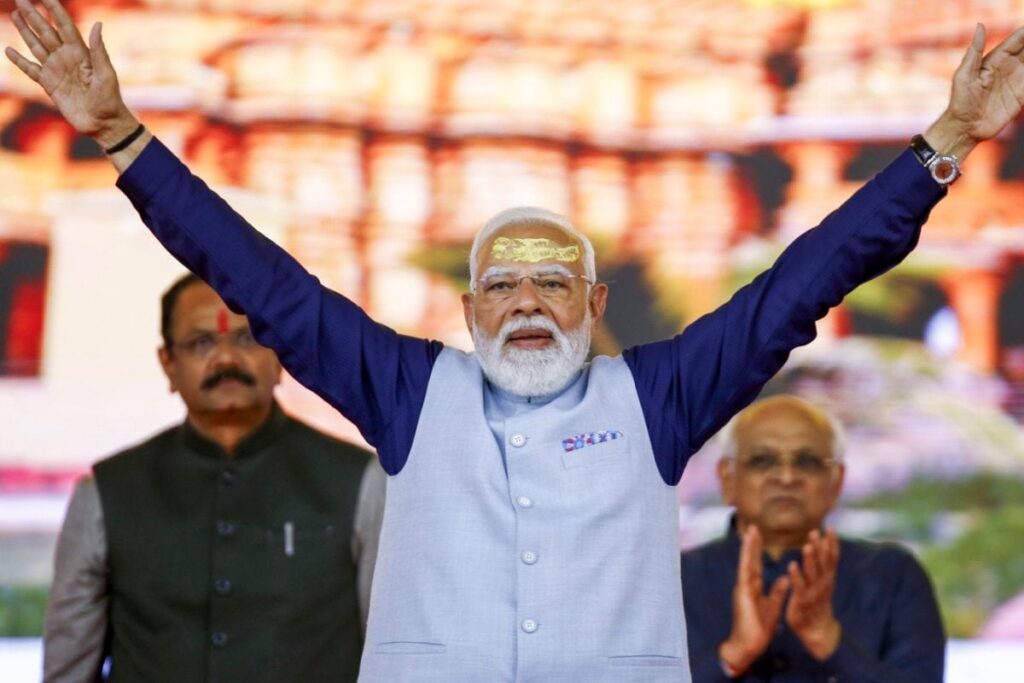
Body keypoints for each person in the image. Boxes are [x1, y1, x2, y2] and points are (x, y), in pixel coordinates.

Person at [6, 2, 1022, 680]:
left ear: (592, 301)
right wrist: (122, 137)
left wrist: (944, 147)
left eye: (552, 282)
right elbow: (255, 276)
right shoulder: (406, 388)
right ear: (468, 310)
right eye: (501, 283)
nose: (527, 300)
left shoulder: (658, 395)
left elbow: (807, 279)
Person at [42, 273, 386, 683]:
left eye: (247, 339)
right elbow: (67, 667)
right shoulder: (105, 492)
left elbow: (394, 652)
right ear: (168, 364)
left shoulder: (362, 482)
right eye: (201, 343)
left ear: (280, 356)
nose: (226, 360)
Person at [680, 396, 945, 682]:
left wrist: (833, 645)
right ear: (727, 478)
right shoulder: (675, 582)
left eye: (807, 462)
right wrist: (731, 656)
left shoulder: (892, 576)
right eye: (762, 460)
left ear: (836, 481)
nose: (786, 477)